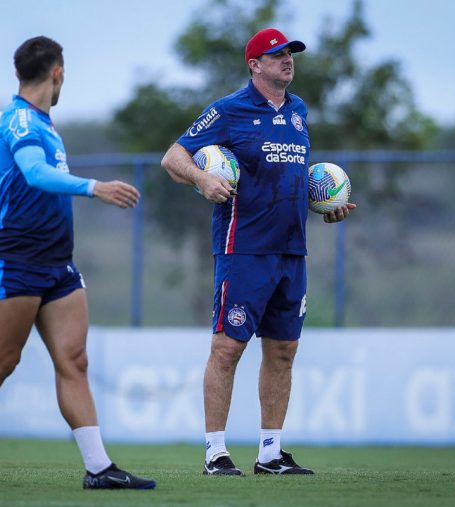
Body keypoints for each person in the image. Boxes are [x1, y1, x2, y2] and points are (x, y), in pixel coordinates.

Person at [0, 36, 156, 491]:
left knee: (74, 360)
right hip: (17, 258)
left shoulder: (44, 122)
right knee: (0, 363)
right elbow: (36, 175)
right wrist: (95, 187)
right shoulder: (18, 122)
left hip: (58, 262)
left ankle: (99, 468)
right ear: (57, 72)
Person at [161, 28, 356, 476]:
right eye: (277, 54)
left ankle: (270, 453)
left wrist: (327, 204)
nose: (287, 60)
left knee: (284, 350)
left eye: (290, 54)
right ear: (255, 64)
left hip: (292, 250)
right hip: (243, 249)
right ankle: (215, 453)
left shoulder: (299, 111)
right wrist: (202, 179)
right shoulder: (228, 111)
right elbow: (173, 156)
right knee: (227, 349)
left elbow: (294, 175)